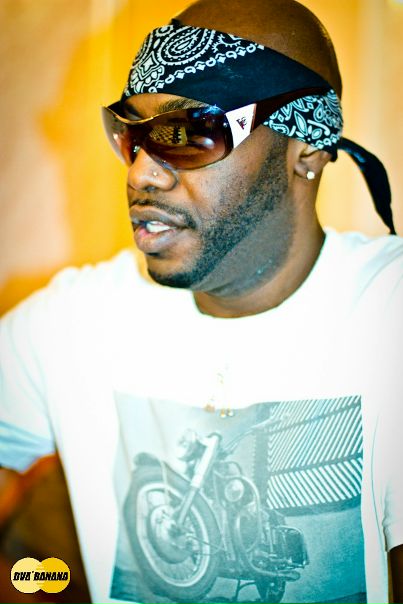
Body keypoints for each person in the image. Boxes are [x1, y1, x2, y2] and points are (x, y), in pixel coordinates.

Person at [1, 0, 402, 602]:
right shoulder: (72, 323)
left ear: (307, 147)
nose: (141, 175)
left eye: (189, 133)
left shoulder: (387, 316)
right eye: (132, 135)